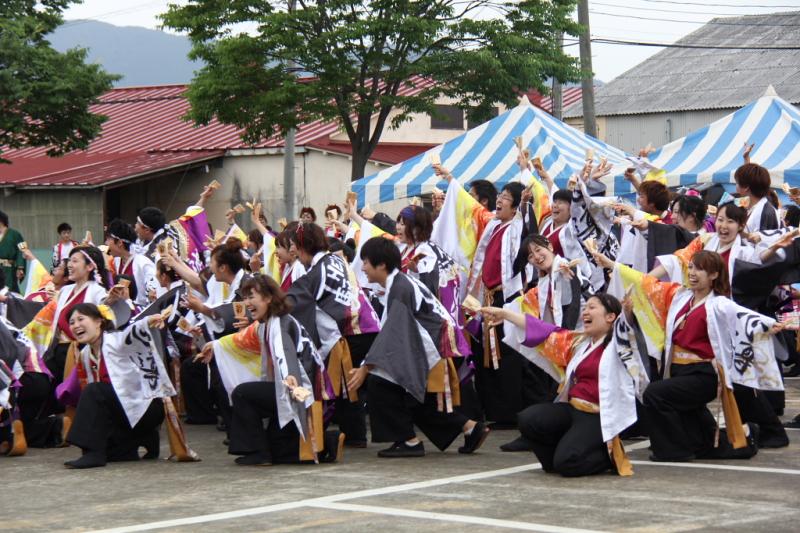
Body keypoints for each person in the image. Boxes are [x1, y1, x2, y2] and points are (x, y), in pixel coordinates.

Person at [600, 250, 785, 462]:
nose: (693, 273)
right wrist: (616, 272)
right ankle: (746, 438)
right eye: (691, 268)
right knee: (701, 438)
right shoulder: (680, 296)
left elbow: (744, 318)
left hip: (703, 373)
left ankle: (673, 451)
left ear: (714, 275)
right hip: (679, 370)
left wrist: (770, 324)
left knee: (654, 393)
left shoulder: (719, 304)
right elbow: (647, 284)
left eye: (700, 269)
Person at [348, 237, 489, 457]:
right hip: (436, 343)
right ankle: (470, 427)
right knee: (414, 397)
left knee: (381, 383)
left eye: (365, 261)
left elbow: (391, 333)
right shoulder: (398, 283)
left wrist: (366, 367)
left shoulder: (400, 286)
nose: (363, 267)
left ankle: (409, 441)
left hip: (437, 345)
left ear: (381, 264)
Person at [481, 293, 645, 477]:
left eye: (592, 308)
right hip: (573, 408)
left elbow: (629, 331)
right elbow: (544, 331)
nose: (585, 312)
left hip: (598, 416)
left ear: (610, 317)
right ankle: (557, 458)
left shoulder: (620, 345)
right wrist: (505, 314)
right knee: (529, 419)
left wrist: (628, 314)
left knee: (568, 464)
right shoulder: (579, 343)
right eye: (585, 308)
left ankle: (607, 457)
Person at [198, 275, 343, 465]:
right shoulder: (268, 323)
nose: (247, 303)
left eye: (251, 297)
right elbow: (240, 340)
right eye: (245, 297)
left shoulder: (281, 325)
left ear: (268, 298)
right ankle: (328, 444)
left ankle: (257, 452)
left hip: (303, 390)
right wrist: (215, 346)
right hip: (297, 387)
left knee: (242, 393)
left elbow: (286, 354)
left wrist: (290, 377)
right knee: (278, 448)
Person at [286, 222, 380, 447]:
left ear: (303, 246)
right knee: (347, 384)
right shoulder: (335, 259)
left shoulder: (319, 270)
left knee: (339, 383)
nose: (291, 251)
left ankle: (342, 435)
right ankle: (352, 435)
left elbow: (296, 299)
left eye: (293, 246)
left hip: (353, 329)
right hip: (366, 326)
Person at [58, 303, 173, 468]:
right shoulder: (85, 354)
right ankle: (146, 437)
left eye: (81, 319)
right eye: (72, 322)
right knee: (114, 454)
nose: (76, 325)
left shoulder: (116, 340)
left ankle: (92, 453)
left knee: (94, 390)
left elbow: (132, 333)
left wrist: (148, 321)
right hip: (122, 412)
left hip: (146, 407)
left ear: (99, 322)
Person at [43, 246, 111, 389]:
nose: (69, 265)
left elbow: (106, 316)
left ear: (90, 266)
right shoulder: (65, 290)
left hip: (79, 351)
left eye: (75, 261)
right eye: (69, 261)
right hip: (58, 349)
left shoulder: (98, 292)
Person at [105, 219, 156, 309]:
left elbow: (153, 295)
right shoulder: (117, 260)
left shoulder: (143, 263)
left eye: (109, 239)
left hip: (140, 312)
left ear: (120, 242)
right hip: (123, 310)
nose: (106, 243)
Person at [735, 163, 779, 232]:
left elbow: (764, 241)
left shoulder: (766, 213)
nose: (736, 187)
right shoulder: (755, 207)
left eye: (737, 183)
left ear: (746, 187)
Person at [0, 210, 26, 293]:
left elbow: (23, 250)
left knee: (9, 291)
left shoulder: (15, 234)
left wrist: (20, 267)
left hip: (9, 270)